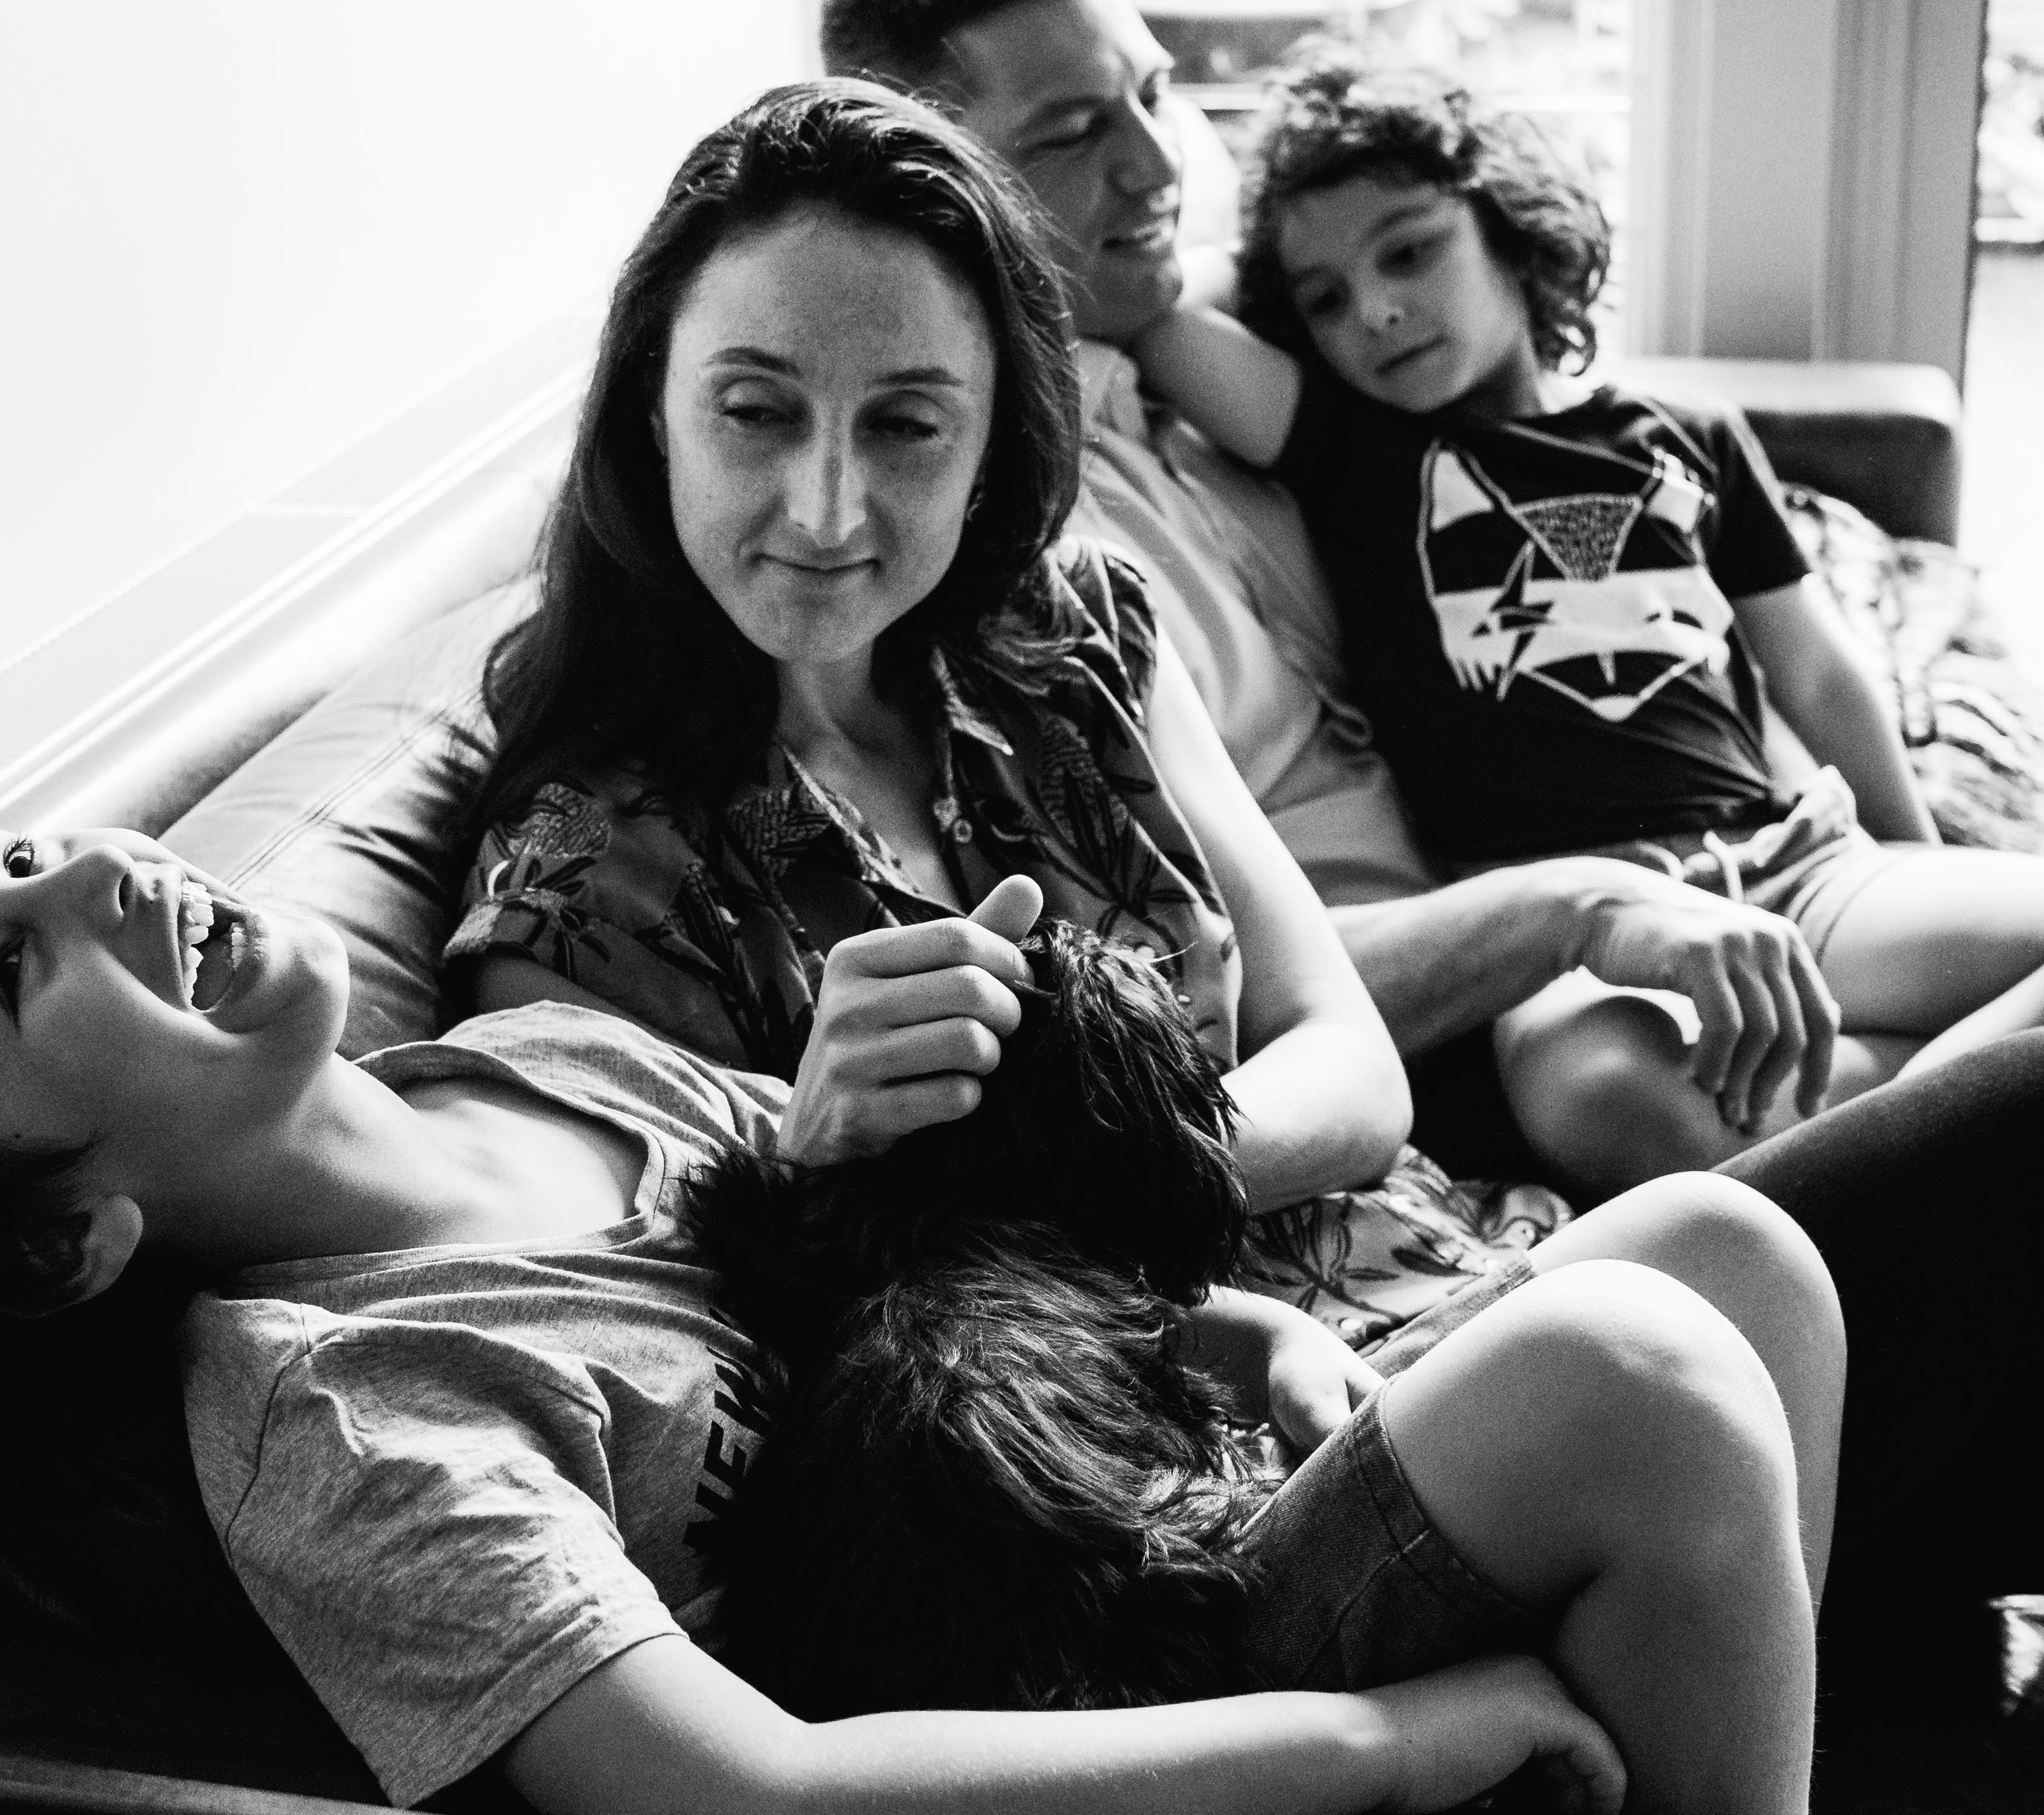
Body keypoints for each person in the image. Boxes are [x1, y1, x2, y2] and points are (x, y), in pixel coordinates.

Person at [0, 808, 1839, 1815]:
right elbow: (755, 1799)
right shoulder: (345, 1420)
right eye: (9, 957)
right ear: (64, 1239)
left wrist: (1232, 1336)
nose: (85, 867)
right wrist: (1387, 1742)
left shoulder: (534, 1059)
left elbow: (919, 1284)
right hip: (1068, 1689)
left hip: (1153, 1488)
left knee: (1725, 1250)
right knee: (1633, 1378)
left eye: (13, 850)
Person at [449, 77, 1558, 1349]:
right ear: (655, 411)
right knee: (1692, 1299)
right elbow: (639, 1334)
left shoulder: (1082, 635)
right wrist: (824, 1161)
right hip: (1183, 1439)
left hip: (1444, 1268)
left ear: (989, 449)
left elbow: (1352, 1066)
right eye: (755, 410)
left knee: (1732, 1255)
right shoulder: (579, 887)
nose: (825, 509)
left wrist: (1076, 1178)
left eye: (908, 424)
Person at [814, 0, 1891, 1193]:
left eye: (1156, 93)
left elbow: (1357, 255)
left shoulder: (1183, 359)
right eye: (1074, 132)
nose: (1159, 166)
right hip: (1455, 1003)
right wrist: (1575, 905)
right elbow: (1204, 984)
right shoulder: (993, 543)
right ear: (939, 189)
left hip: (1685, 874)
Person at [1133, 52, 2044, 1198]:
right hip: (1574, 938)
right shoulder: (1343, 445)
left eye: (1410, 249)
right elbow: (1149, 305)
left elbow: (1818, 678)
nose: (1373, 308)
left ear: (1514, 227)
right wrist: (1269, 270)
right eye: (1323, 298)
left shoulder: (1689, 435)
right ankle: (1974, 1114)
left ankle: (1886, 1142)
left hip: (1794, 865)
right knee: (1603, 1103)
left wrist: (1908, 857)